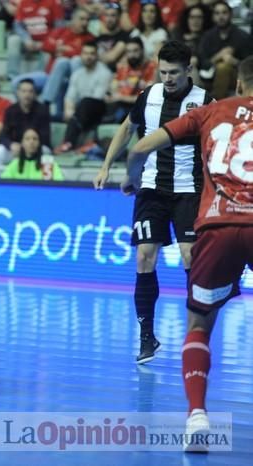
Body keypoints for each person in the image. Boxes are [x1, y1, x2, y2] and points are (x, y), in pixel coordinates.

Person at [120, 54, 253, 453]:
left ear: (240, 84)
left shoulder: (211, 111)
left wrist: (130, 177)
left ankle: (197, 417)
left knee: (199, 323)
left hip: (218, 225)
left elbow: (140, 145)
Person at [93, 40, 214, 364]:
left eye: (174, 72)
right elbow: (127, 128)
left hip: (190, 189)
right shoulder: (149, 95)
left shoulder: (205, 101)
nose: (168, 78)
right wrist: (107, 164)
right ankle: (147, 336)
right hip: (151, 188)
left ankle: (196, 330)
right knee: (144, 257)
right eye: (163, 72)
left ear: (189, 69)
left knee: (191, 256)